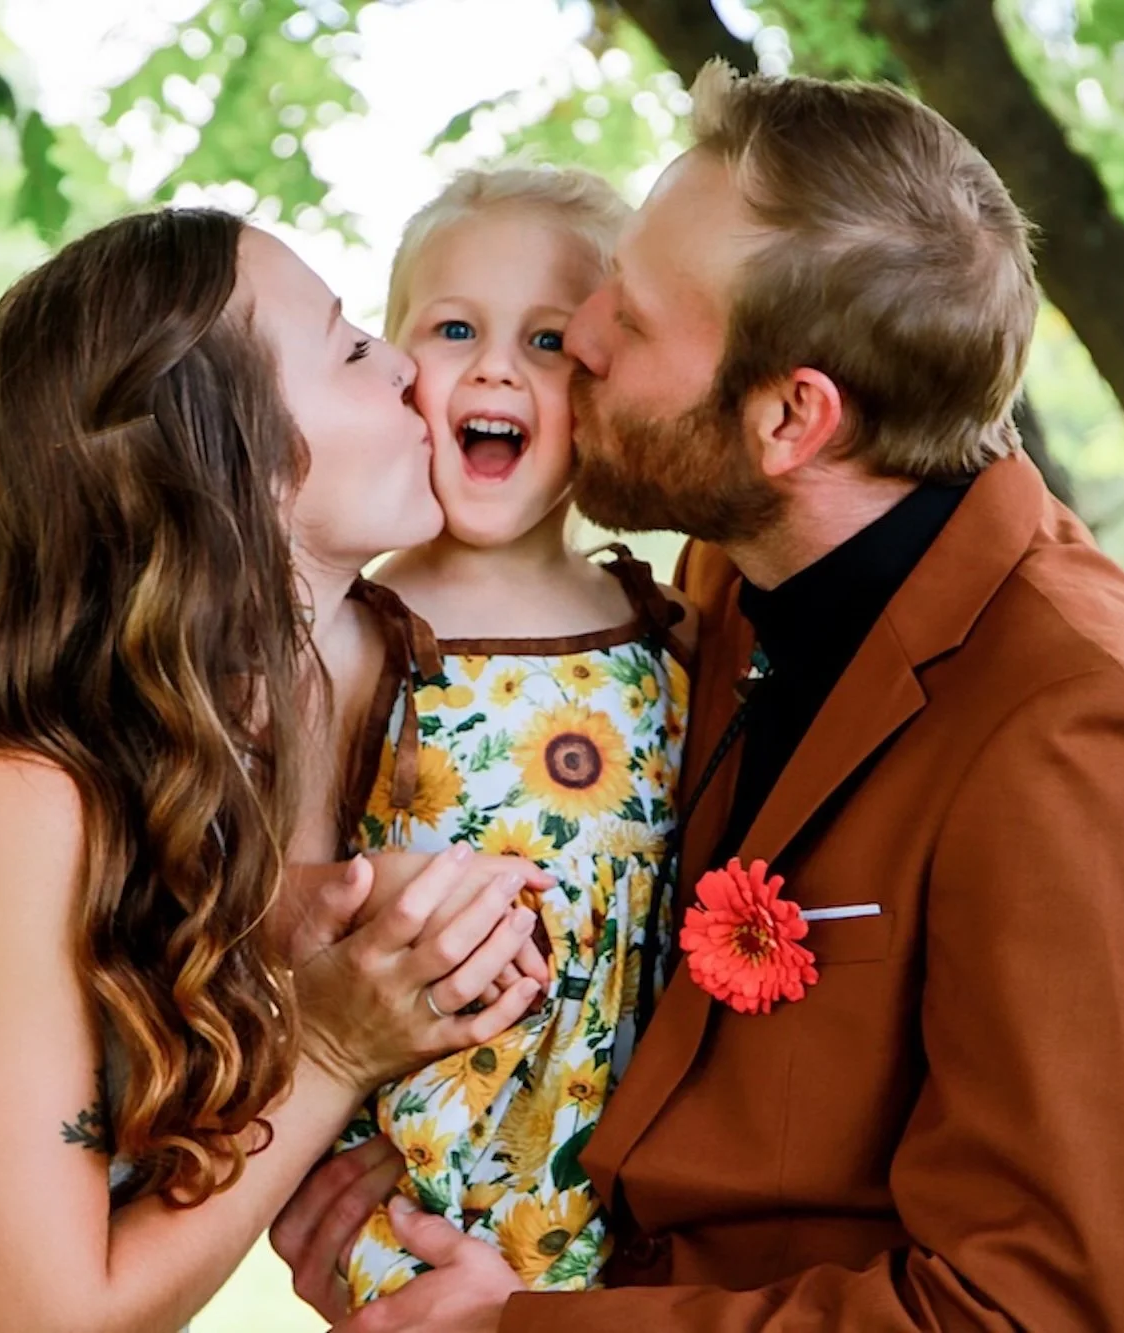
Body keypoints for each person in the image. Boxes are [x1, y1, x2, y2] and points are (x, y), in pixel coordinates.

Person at [272, 64, 1124, 1332]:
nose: (576, 338)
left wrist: (511, 1330)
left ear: (790, 419)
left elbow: (1024, 1316)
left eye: (625, 324)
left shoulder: (1090, 744)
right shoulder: (722, 581)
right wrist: (406, 1239)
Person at [0, 207, 550, 1333]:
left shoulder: (269, 745)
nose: (400, 364)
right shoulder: (16, 801)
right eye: (345, 346)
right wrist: (332, 1043)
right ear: (222, 463)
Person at [329, 167, 694, 1306]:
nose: (493, 367)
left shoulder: (665, 630)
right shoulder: (355, 640)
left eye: (546, 339)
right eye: (452, 329)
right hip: (418, 1212)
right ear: (394, 371)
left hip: (642, 1209)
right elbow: (280, 916)